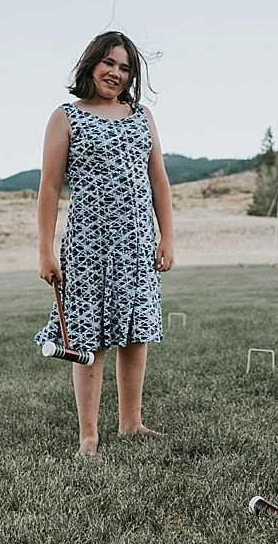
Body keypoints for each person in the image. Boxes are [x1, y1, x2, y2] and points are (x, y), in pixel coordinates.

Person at [35, 31, 175, 456]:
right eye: (109, 63)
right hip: (87, 245)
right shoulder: (66, 117)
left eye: (125, 67)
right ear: (91, 64)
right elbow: (49, 187)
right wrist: (45, 248)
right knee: (86, 336)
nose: (116, 73)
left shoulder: (141, 115)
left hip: (137, 242)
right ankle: (89, 435)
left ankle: (131, 423)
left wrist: (167, 234)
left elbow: (159, 181)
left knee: (136, 332)